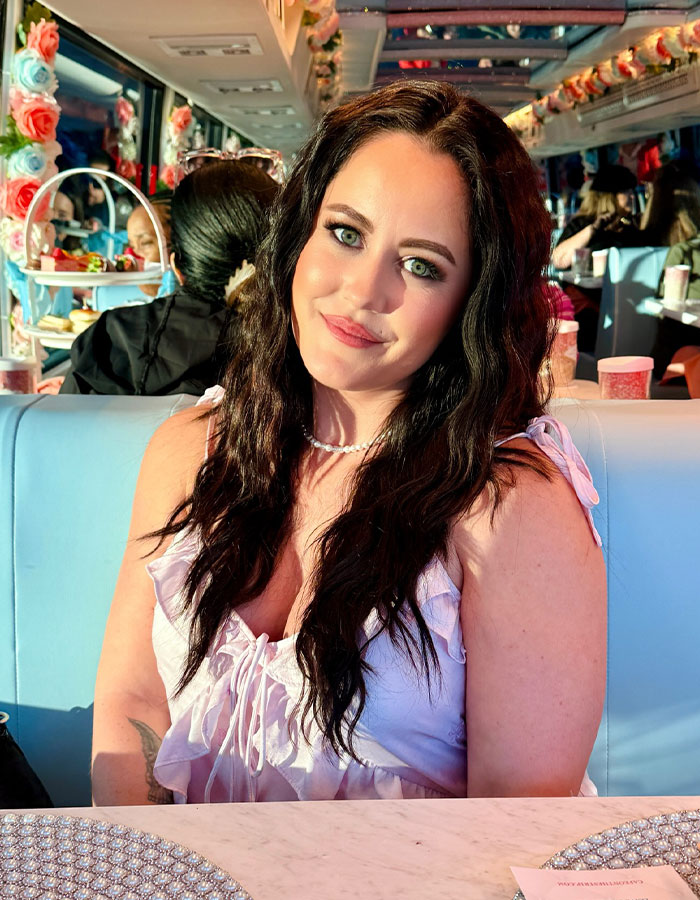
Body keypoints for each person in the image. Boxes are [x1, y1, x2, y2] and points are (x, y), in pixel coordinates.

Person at [91, 81, 606, 805]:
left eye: (422, 265)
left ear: (472, 305)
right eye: (345, 232)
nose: (364, 289)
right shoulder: (189, 453)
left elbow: (519, 826)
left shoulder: (509, 507)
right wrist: (139, 875)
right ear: (299, 232)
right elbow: (132, 706)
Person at [60, 161, 277, 396]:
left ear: (176, 265)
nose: (136, 256)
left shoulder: (108, 346)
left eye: (145, 243)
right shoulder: (291, 350)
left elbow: (63, 423)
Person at [551, 164, 639, 270]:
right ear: (608, 196)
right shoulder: (581, 224)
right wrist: (592, 230)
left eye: (632, 191)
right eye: (625, 191)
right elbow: (558, 259)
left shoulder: (629, 225)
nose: (632, 196)